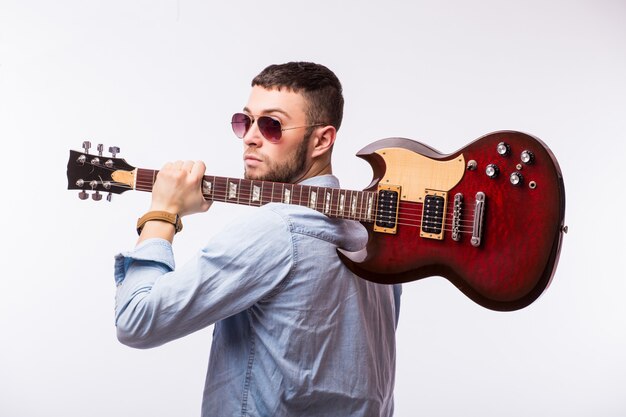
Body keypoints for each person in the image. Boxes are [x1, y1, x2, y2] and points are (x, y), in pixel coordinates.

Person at [114, 61, 402, 416]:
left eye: (271, 125)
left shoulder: (275, 231)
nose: (251, 136)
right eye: (244, 121)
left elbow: (137, 321)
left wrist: (162, 214)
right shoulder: (370, 236)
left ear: (321, 140)